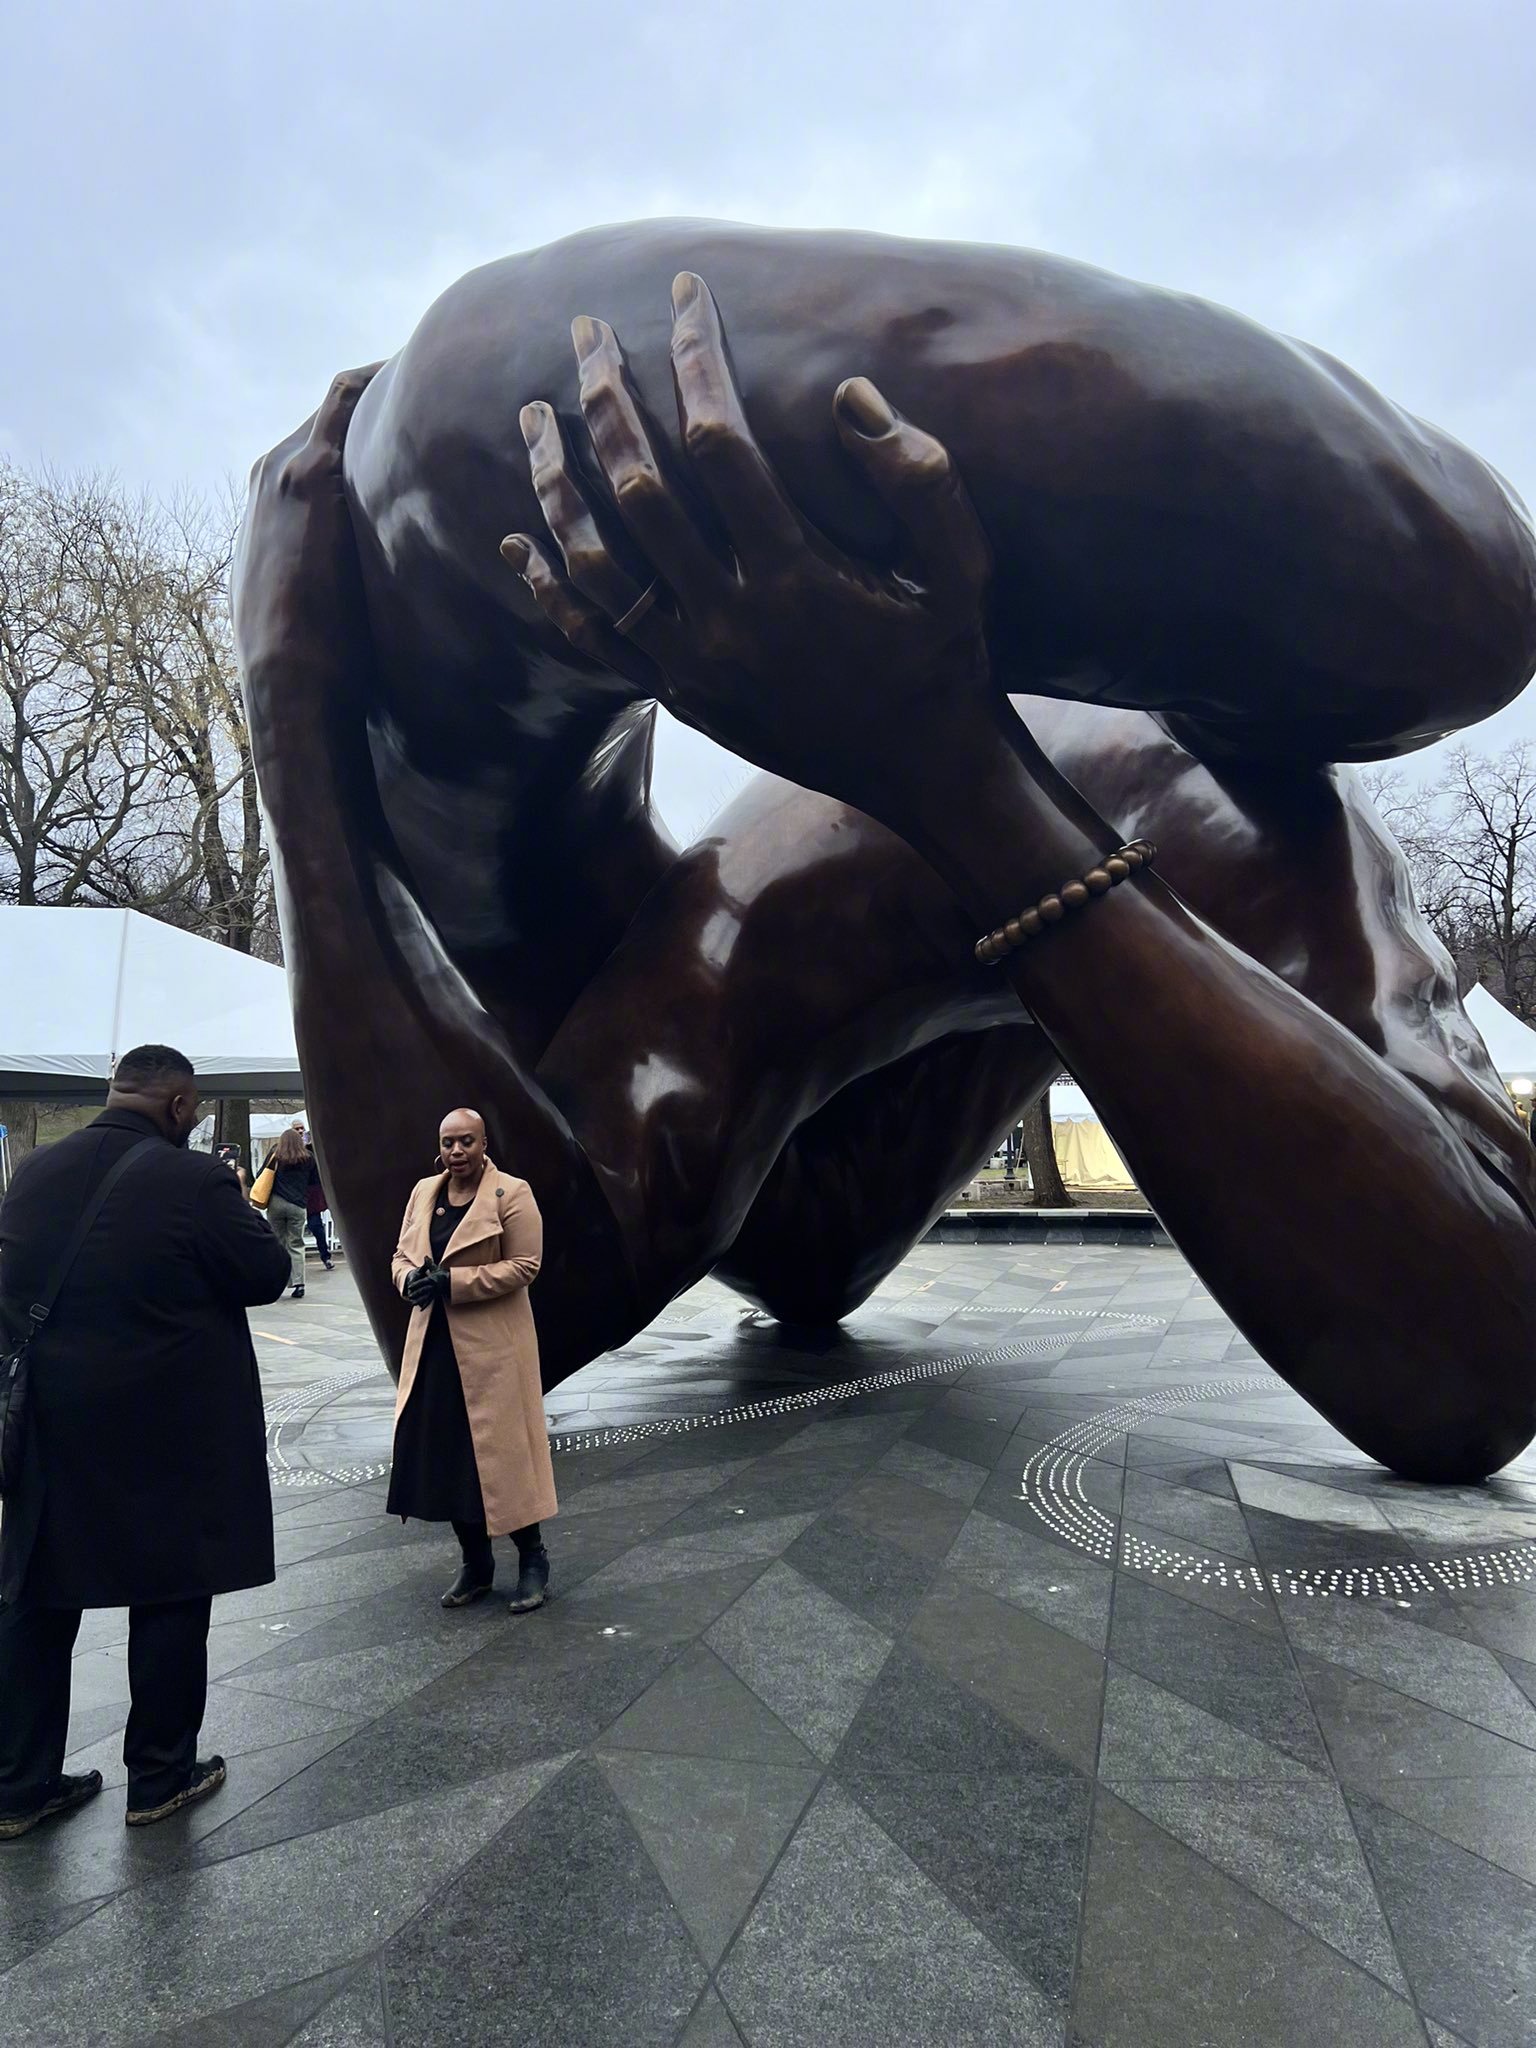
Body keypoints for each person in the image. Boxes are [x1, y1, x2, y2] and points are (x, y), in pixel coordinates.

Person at [232, 241, 1536, 1485]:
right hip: (819, 1156)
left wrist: (948, 768)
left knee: (1472, 610)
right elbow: (470, 1347)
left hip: (1079, 872)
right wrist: (298, 742)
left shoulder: (1226, 816)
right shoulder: (756, 906)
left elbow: (1476, 1371)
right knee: (812, 1246)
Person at [0, 1044, 291, 1839]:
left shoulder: (33, 1175)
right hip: (167, 1432)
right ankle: (158, 1778)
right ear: (179, 1107)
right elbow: (266, 1272)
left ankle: (18, 1788)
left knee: (35, 1598)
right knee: (168, 1592)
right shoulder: (193, 1180)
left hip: (50, 1432)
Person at [387, 1108, 556, 1611]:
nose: (456, 1151)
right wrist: (409, 1281)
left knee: (502, 1455)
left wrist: (456, 1283)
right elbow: (399, 1255)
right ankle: (475, 1563)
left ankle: (532, 1559)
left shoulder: (512, 1193)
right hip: (435, 1348)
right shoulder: (424, 1192)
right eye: (447, 1142)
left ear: (485, 1143)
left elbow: (527, 1264)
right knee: (449, 1457)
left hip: (493, 1350)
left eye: (466, 1142)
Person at [260, 1124, 314, 1299]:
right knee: (296, 1243)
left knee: (278, 1243)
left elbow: (262, 1173)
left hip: (276, 1202)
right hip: (297, 1205)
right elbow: (314, 1181)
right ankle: (299, 1284)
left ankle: (277, 1282)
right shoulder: (308, 1158)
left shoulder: (276, 1156)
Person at [303, 1132, 335, 1270]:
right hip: (299, 1196)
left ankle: (325, 1256)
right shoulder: (285, 1153)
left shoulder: (312, 1153)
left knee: (316, 1226)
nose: (299, 1132)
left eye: (301, 1129)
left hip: (310, 1196)